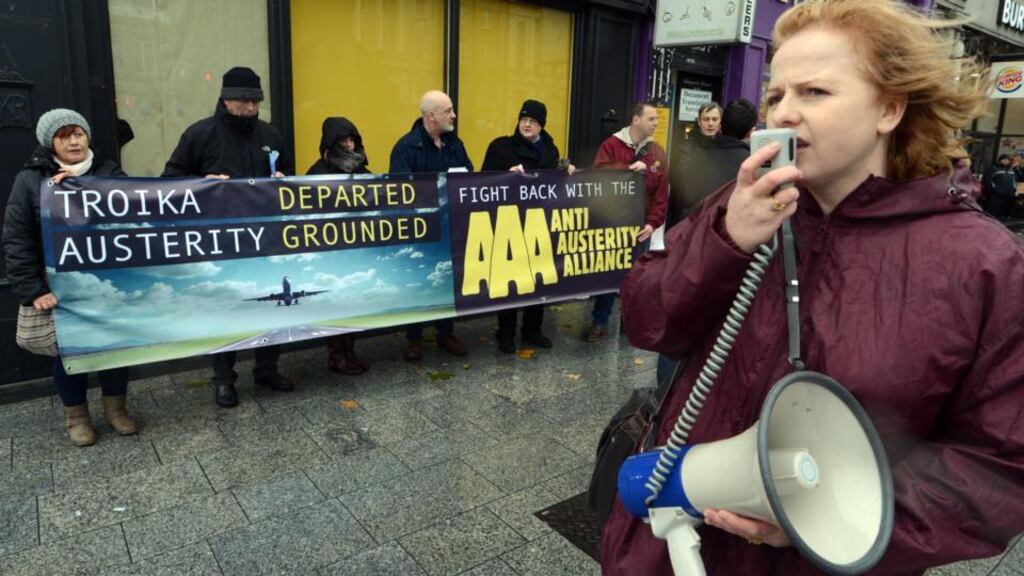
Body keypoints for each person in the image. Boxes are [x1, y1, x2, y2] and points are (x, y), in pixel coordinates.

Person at [602, 1, 1024, 575]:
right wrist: (726, 240)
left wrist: (834, 516)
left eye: (815, 93)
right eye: (777, 96)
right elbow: (648, 320)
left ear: (890, 107)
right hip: (673, 544)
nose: (785, 115)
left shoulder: (981, 265)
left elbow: (999, 466)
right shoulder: (740, 205)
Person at [162, 66, 296, 408]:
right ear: (224, 98)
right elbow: (170, 181)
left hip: (267, 239)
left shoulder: (271, 135)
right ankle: (224, 379)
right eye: (243, 100)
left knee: (273, 306)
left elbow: (290, 181)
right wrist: (203, 183)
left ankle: (267, 368)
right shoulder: (199, 134)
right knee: (228, 310)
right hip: (220, 240)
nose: (250, 108)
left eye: (255, 101)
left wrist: (283, 180)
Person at [2, 109, 137, 446]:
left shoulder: (108, 172)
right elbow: (17, 238)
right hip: (60, 288)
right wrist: (33, 289)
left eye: (79, 133)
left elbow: (139, 206)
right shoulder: (31, 180)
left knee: (115, 349)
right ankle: (76, 417)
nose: (74, 141)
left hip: (106, 283)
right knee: (70, 355)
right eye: (65, 135)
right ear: (51, 142)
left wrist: (209, 187)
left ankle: (116, 410)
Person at [481, 99, 574, 353]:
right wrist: (505, 175)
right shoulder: (500, 148)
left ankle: (533, 330)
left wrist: (567, 171)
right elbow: (481, 183)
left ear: (541, 125)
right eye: (523, 119)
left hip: (539, 225)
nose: (526, 123)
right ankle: (506, 333)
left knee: (538, 280)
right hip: (508, 224)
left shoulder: (551, 150)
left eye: (532, 120)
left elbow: (557, 184)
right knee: (509, 283)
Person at [389, 90, 472, 361]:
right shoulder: (405, 148)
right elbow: (400, 193)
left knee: (447, 279)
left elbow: (470, 178)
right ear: (431, 116)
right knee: (418, 281)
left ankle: (445, 332)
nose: (453, 115)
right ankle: (414, 338)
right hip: (420, 230)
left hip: (451, 228)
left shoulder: (455, 145)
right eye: (448, 111)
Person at [583, 101, 668, 342]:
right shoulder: (611, 145)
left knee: (636, 279)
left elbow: (661, 194)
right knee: (609, 274)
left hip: (641, 227)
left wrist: (652, 224)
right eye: (651, 119)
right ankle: (599, 321)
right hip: (612, 223)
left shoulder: (657, 152)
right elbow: (598, 176)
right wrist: (628, 169)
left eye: (657, 120)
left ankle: (628, 323)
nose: (655, 124)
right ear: (635, 120)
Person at [306, 116, 371, 375]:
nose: (348, 145)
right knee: (336, 302)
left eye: (352, 139)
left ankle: (349, 350)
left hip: (357, 248)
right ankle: (336, 354)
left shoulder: (363, 172)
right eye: (342, 140)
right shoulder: (316, 173)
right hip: (330, 252)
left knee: (353, 301)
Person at [666, 98, 758, 230]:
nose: (710, 124)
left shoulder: (728, 149)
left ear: (721, 123)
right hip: (689, 224)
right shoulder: (688, 149)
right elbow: (680, 188)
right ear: (699, 122)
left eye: (715, 119)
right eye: (706, 119)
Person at [984, 153, 1016, 220]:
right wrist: (994, 190)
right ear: (999, 160)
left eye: (1007, 160)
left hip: (1008, 195)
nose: (1006, 161)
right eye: (1004, 159)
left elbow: (1014, 181)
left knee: (1003, 215)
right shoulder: (993, 168)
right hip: (996, 195)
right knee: (992, 214)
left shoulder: (1011, 170)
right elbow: (988, 180)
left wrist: (1014, 190)